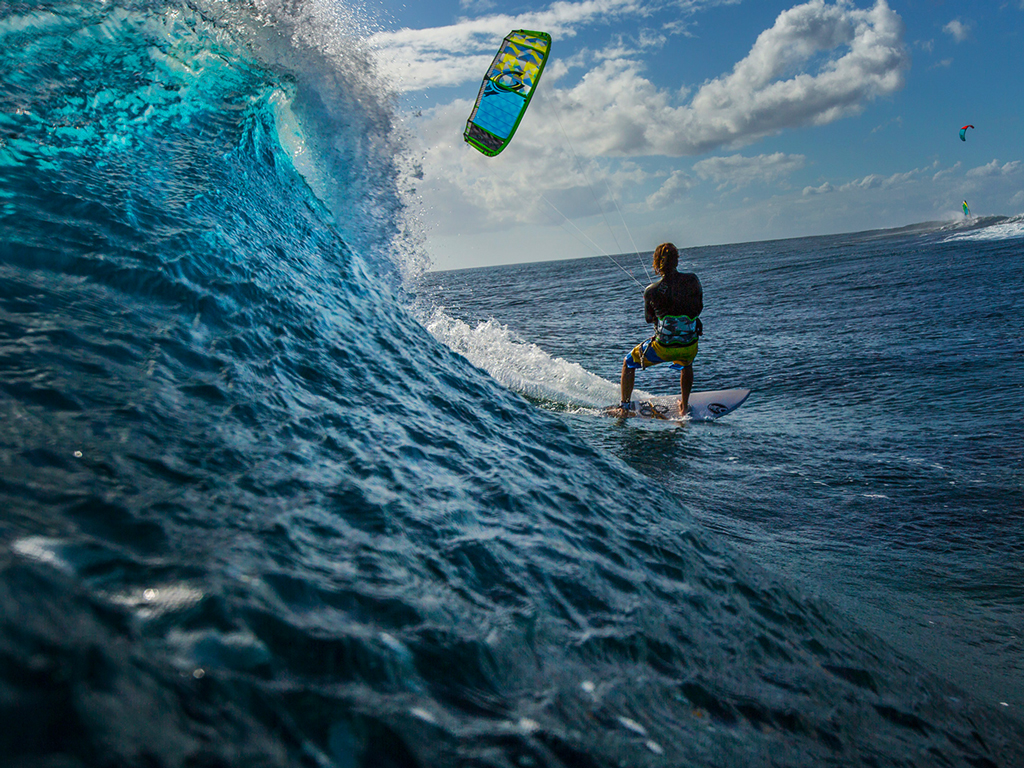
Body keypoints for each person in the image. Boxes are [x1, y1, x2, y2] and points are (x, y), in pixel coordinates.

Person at [616, 242, 703, 417]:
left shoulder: (651, 291)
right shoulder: (692, 280)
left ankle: (624, 407)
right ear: (676, 261)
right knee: (687, 364)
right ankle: (684, 406)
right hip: (689, 347)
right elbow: (698, 308)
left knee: (628, 362)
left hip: (663, 348)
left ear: (657, 263)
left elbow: (649, 319)